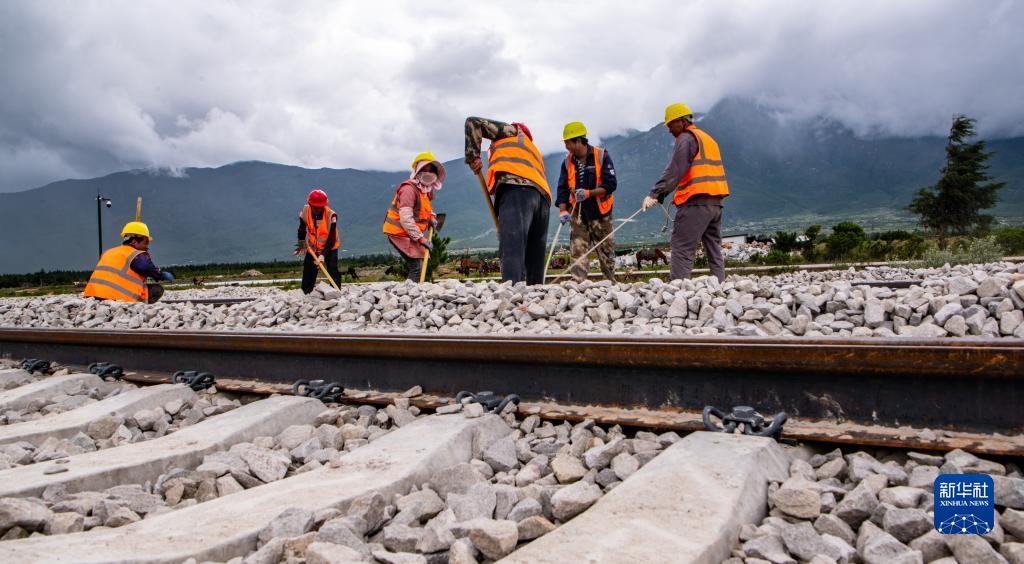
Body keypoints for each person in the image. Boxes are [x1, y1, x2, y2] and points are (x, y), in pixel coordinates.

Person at [643, 103, 730, 281]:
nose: (669, 130)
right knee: (714, 248)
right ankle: (720, 286)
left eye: (670, 125)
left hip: (695, 203)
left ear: (681, 121)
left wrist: (655, 193)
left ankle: (677, 291)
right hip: (715, 203)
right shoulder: (707, 139)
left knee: (682, 247)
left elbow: (675, 169)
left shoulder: (686, 138)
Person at [465, 117, 551, 284]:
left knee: (512, 249)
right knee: (535, 256)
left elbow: (473, 122)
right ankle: (537, 299)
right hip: (542, 200)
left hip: (516, 189)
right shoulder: (533, 150)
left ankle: (510, 297)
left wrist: (473, 155)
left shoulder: (511, 132)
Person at [556, 121, 618, 282]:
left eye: (568, 143)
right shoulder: (567, 162)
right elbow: (562, 188)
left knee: (606, 252)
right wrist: (563, 210)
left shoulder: (601, 156)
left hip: (601, 214)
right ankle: (578, 287)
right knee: (577, 252)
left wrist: (589, 193)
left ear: (578, 141)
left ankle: (611, 284)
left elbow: (611, 184)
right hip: (578, 215)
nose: (566, 147)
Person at [383, 151, 444, 281]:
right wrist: (421, 239)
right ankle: (409, 296)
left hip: (410, 233)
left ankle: (414, 292)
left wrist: (432, 217)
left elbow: (425, 208)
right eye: (424, 169)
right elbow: (406, 219)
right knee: (416, 266)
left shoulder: (425, 190)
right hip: (399, 232)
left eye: (431, 170)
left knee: (420, 266)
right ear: (417, 170)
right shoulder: (409, 190)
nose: (428, 173)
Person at [83, 221, 174, 303]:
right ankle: (137, 304)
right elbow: (146, 267)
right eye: (146, 242)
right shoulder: (135, 254)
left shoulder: (108, 252)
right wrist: (160, 275)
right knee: (157, 289)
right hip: (117, 298)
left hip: (92, 296)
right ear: (134, 242)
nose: (147, 246)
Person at [295, 189, 341, 293]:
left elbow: (331, 239)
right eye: (315, 207)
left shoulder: (331, 216)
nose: (318, 209)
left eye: (320, 207)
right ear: (310, 204)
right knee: (308, 270)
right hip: (313, 247)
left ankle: (336, 294)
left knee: (332, 270)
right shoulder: (305, 211)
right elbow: (302, 229)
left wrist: (323, 255)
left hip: (330, 247)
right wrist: (301, 244)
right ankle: (306, 293)